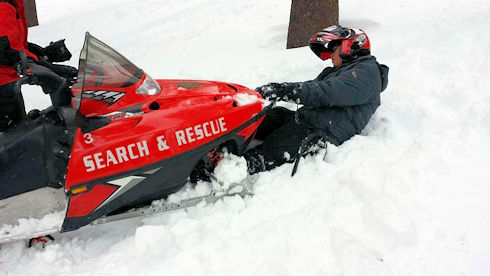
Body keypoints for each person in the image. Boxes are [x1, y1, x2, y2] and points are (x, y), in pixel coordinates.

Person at [245, 25, 389, 174]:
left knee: (280, 143)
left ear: (350, 46)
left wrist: (286, 90)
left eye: (333, 49)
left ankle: (240, 167)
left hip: (321, 133)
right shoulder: (340, 71)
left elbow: (326, 92)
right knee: (271, 116)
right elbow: (312, 87)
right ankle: (227, 143)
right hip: (307, 121)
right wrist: (281, 90)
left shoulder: (367, 72)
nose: (330, 55)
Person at [0, 0, 75, 131]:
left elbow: (14, 43)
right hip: (3, 85)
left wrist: (41, 53)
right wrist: (46, 68)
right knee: (14, 139)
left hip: (8, 81)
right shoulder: (3, 5)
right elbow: (5, 51)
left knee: (20, 131)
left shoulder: (12, 2)